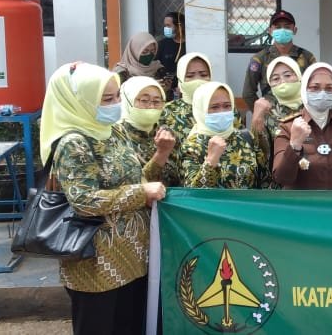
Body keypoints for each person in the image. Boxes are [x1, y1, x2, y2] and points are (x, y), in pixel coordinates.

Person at [40, 62, 167, 335]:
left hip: (132, 255)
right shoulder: (73, 143)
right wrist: (141, 193)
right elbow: (84, 201)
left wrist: (158, 161)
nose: (116, 104)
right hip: (96, 263)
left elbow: (133, 177)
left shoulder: (114, 130)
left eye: (117, 96)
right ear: (81, 102)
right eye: (107, 99)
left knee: (128, 326)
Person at [273, 63, 332, 190]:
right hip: (300, 202)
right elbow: (281, 178)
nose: (322, 93)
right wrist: (295, 145)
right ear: (304, 89)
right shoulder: (287, 127)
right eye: (315, 88)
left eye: (329, 88)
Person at [180, 82, 267, 189]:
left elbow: (265, 179)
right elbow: (193, 193)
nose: (221, 112)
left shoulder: (245, 138)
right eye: (214, 107)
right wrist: (211, 161)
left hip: (248, 200)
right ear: (201, 110)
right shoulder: (191, 147)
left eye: (227, 106)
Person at [242, 10, 317, 109]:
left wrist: (309, 112)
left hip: (301, 114)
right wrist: (262, 113)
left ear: (294, 30)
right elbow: (248, 93)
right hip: (272, 115)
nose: (282, 30)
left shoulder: (307, 57)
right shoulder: (260, 58)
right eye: (278, 27)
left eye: (287, 27)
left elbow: (316, 88)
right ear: (270, 31)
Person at [116, 76, 181, 187]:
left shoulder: (168, 134)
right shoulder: (117, 136)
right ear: (128, 101)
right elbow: (131, 188)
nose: (151, 106)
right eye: (144, 101)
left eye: (157, 101)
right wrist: (162, 154)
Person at [249, 56, 303, 175]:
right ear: (270, 84)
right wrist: (257, 119)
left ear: (299, 76)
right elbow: (259, 153)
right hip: (280, 176)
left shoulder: (312, 105)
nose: (282, 81)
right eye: (275, 78)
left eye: (288, 75)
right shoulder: (267, 110)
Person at [160, 52, 213, 145]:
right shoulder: (167, 111)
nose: (197, 80)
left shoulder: (224, 107)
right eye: (190, 76)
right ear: (180, 79)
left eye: (204, 75)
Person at [156, 12, 185, 100]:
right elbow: (155, 66)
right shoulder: (162, 44)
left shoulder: (189, 44)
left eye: (168, 26)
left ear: (179, 26)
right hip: (166, 91)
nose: (166, 29)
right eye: (165, 26)